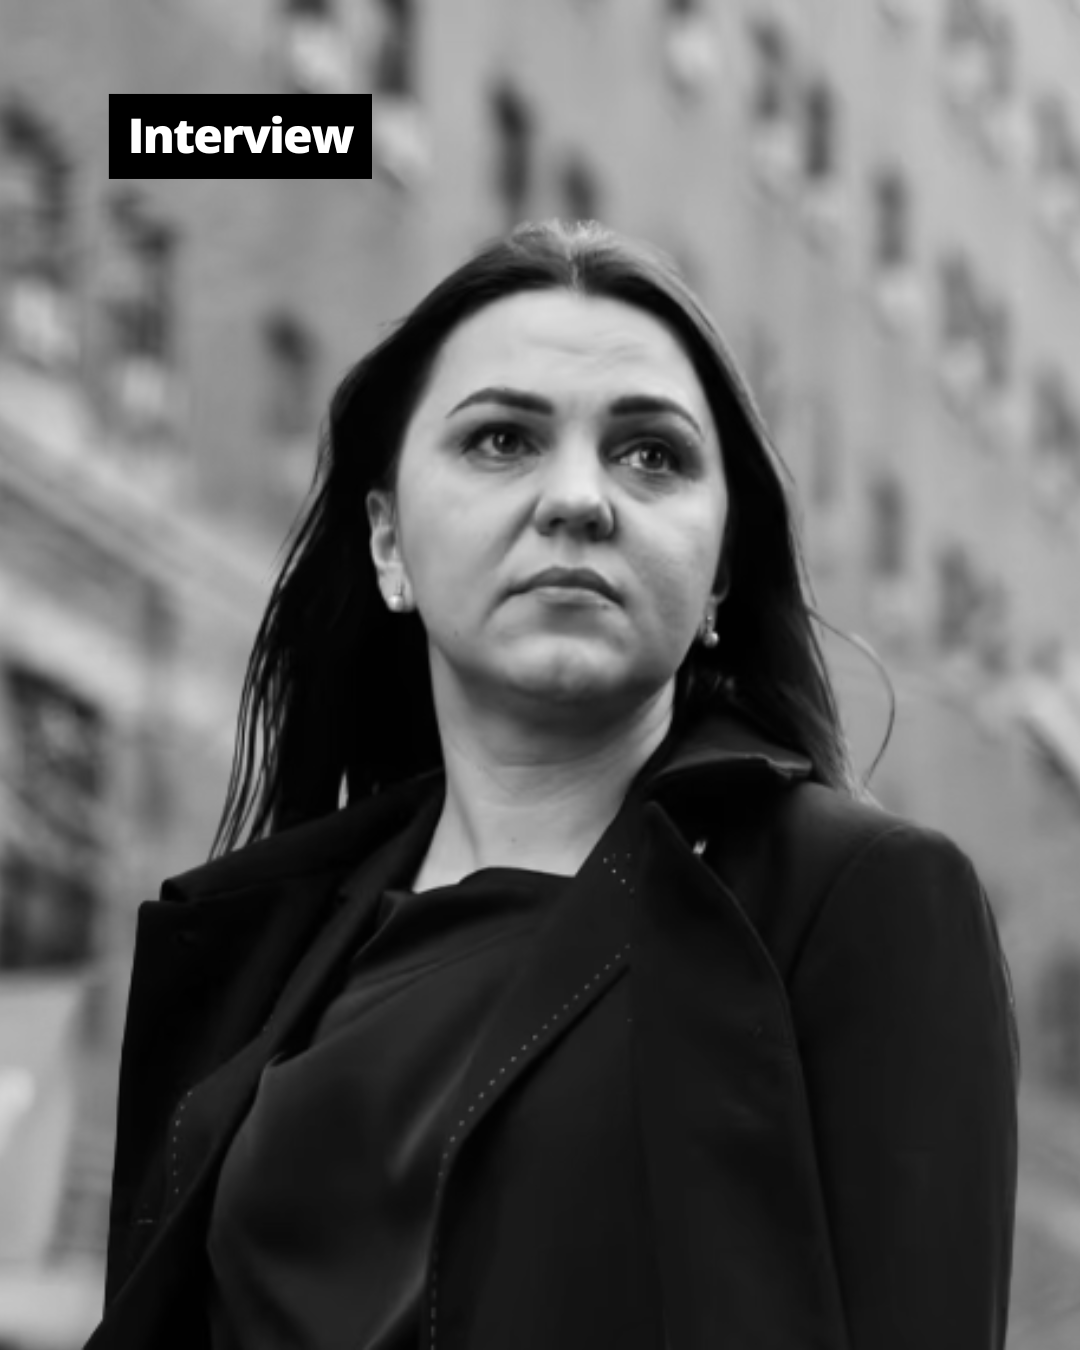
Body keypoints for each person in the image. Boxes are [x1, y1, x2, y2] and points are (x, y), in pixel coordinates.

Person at [84, 220, 1019, 1350]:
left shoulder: (856, 902)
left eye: (652, 455)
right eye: (500, 440)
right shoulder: (248, 945)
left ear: (721, 570)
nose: (580, 498)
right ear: (388, 544)